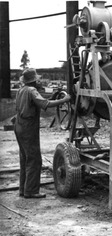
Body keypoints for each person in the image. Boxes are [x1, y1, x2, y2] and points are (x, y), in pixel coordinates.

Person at [14, 68, 71, 198]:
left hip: (19, 125)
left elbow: (38, 101)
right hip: (28, 127)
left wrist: (53, 97)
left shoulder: (21, 90)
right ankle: (32, 191)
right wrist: (64, 100)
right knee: (34, 159)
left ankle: (23, 189)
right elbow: (45, 104)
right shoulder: (32, 90)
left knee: (25, 158)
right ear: (33, 81)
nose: (39, 81)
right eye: (37, 79)